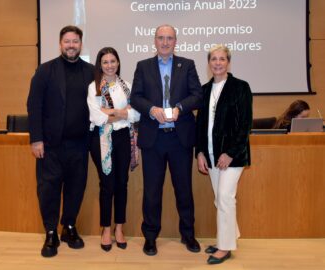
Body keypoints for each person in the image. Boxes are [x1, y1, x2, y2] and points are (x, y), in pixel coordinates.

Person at [130, 24, 203, 256]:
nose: (165, 42)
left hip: (180, 138)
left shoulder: (187, 65)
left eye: (169, 38)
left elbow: (197, 95)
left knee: (184, 189)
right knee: (152, 192)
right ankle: (150, 237)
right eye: (161, 38)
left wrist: (180, 107)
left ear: (175, 41)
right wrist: (152, 109)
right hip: (154, 139)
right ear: (154, 41)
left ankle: (188, 234)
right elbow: (136, 97)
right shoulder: (143, 66)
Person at [27, 25, 94, 258]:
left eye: (75, 41)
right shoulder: (45, 71)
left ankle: (69, 227)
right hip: (51, 146)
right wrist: (36, 139)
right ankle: (51, 232)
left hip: (79, 144)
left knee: (76, 188)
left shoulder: (91, 72)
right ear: (60, 43)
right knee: (48, 190)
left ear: (81, 44)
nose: (71, 45)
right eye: (67, 41)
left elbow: (101, 106)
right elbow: (33, 107)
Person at [195, 44, 252, 264]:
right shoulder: (205, 89)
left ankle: (225, 247)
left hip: (232, 156)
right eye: (213, 59)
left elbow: (244, 125)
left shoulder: (240, 87)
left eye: (222, 59)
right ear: (209, 63)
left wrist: (230, 153)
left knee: (226, 198)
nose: (218, 63)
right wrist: (200, 152)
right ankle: (228, 236)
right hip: (210, 154)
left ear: (228, 62)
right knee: (221, 199)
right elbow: (201, 125)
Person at [87, 47, 140, 252]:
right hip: (101, 139)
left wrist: (111, 112)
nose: (110, 65)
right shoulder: (94, 88)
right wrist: (122, 112)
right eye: (105, 62)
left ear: (118, 63)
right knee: (107, 185)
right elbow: (96, 116)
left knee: (122, 183)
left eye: (113, 61)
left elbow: (136, 114)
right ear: (100, 64)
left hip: (123, 138)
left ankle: (119, 227)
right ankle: (106, 229)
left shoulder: (127, 86)